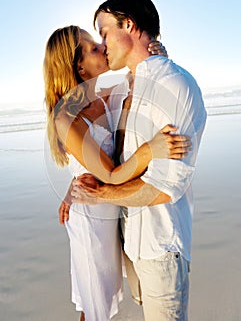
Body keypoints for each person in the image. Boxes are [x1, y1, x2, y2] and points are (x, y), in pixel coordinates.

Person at [71, 0, 207, 321]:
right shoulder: (123, 91)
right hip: (131, 244)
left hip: (160, 247)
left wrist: (104, 194)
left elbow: (165, 188)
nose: (102, 46)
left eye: (104, 33)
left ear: (129, 25)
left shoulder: (174, 85)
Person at [43, 25, 191, 321]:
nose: (103, 47)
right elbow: (110, 173)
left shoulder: (102, 97)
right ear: (80, 67)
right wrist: (152, 148)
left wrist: (158, 56)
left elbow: (140, 81)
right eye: (94, 48)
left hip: (110, 208)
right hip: (92, 219)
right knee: (95, 302)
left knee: (104, 295)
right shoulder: (67, 119)